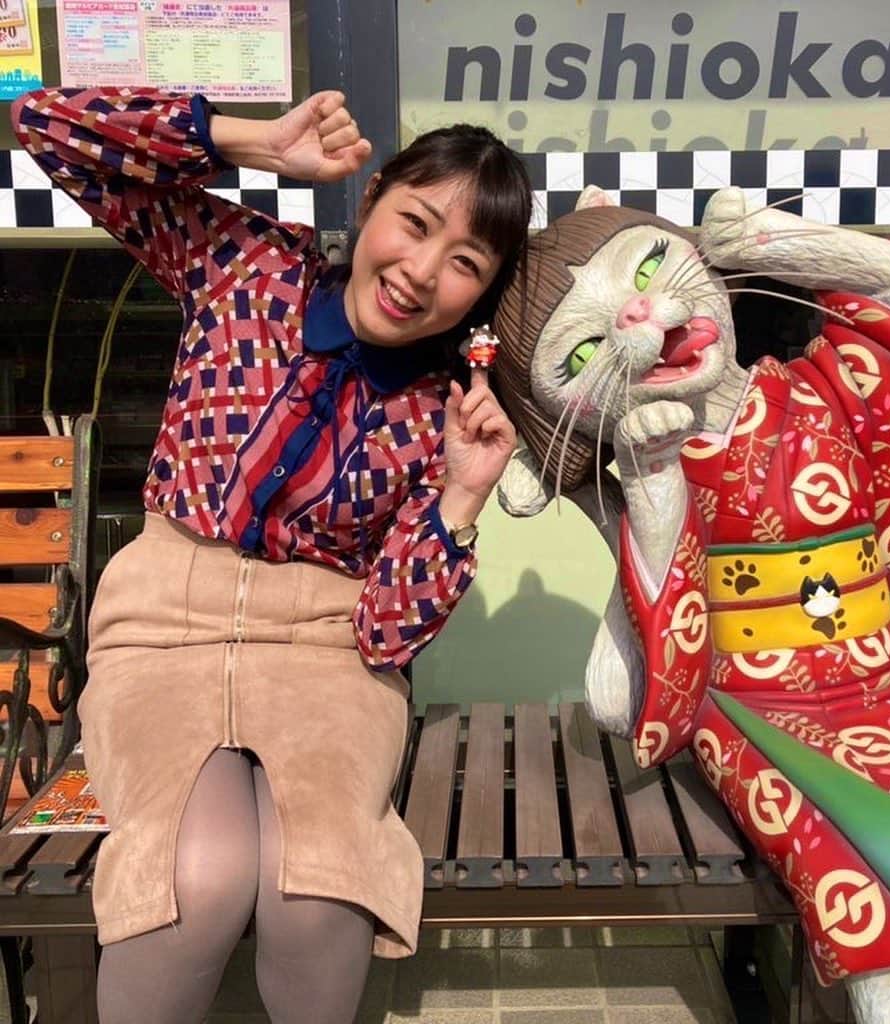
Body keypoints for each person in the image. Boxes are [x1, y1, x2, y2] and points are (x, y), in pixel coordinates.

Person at [11, 85, 532, 1024]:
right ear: (371, 197)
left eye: (464, 263)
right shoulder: (248, 264)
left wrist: (462, 495)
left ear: (483, 293)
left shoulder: (443, 408)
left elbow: (386, 634)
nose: (420, 272)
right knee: (197, 877)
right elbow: (47, 126)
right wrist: (250, 142)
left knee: (316, 890)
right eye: (414, 224)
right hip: (162, 627)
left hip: (329, 650)